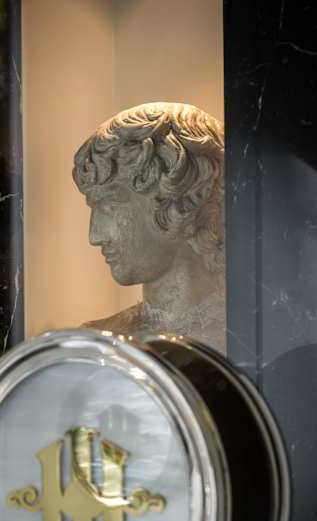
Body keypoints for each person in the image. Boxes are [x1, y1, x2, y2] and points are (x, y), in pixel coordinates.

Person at [72, 101, 226, 351]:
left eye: (109, 205)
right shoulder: (97, 343)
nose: (95, 236)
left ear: (177, 202)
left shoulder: (248, 340)